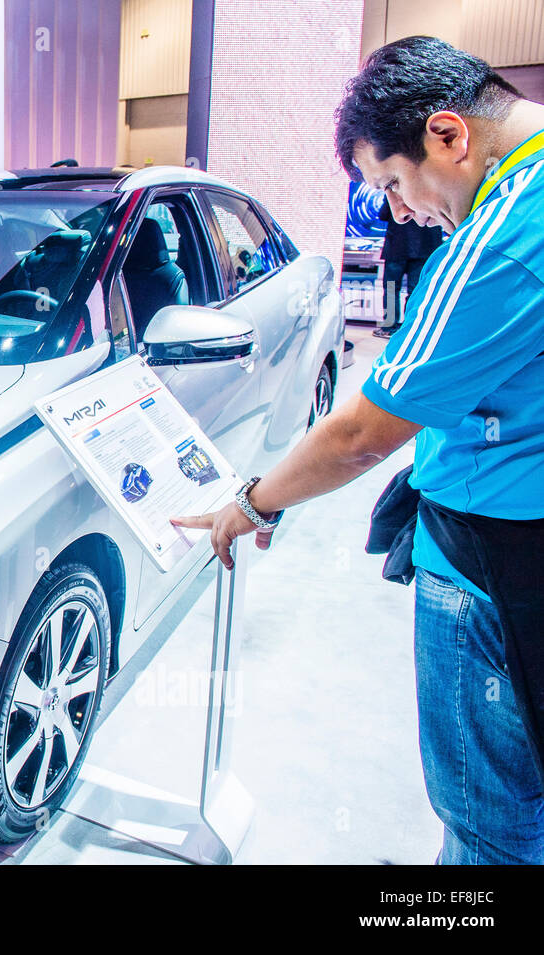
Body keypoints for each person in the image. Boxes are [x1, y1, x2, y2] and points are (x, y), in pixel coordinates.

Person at [173, 36, 544, 864]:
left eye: (393, 184)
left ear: (448, 135)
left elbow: (360, 433)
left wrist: (250, 501)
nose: (402, 212)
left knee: (488, 821)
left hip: (494, 568)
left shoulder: (508, 231)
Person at [374, 200, 444, 338]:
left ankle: (388, 326)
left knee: (391, 288)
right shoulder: (432, 192)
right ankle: (409, 328)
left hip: (397, 247)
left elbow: (383, 214)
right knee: (415, 291)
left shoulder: (396, 192)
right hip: (425, 249)